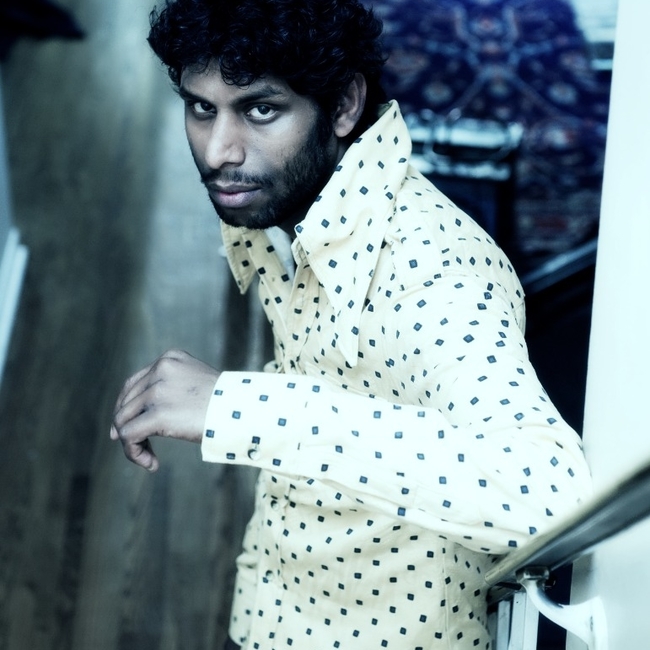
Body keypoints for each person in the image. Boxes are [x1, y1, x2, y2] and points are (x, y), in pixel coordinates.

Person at [110, 1, 592, 648]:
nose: (220, 151)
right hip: (275, 595)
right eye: (202, 108)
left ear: (342, 106)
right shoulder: (293, 202)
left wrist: (241, 408)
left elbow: (549, 493)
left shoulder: (435, 269)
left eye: (260, 110)